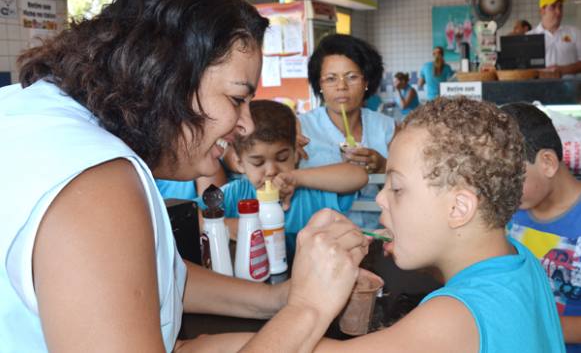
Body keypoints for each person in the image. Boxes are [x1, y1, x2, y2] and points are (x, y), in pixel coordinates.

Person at [0, 0, 370, 353]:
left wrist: (278, 298)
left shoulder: (30, 113)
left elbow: (148, 279)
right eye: (236, 99)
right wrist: (307, 309)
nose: (245, 125)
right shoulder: (95, 181)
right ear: (169, 79)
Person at [193, 96, 566, 352]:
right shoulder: (521, 259)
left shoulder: (451, 319)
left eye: (397, 188)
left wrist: (305, 304)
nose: (382, 199)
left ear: (459, 208)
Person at [195, 99, 368, 260]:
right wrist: (225, 225)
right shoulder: (235, 194)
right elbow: (189, 216)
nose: (271, 171)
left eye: (282, 158)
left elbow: (359, 176)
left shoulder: (310, 193)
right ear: (240, 163)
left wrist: (296, 177)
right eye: (258, 162)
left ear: (296, 154)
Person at [501, 102, 581, 353]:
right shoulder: (509, 211)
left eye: (510, 177)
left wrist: (529, 323)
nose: (502, 189)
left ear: (547, 162)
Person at [299, 33, 396, 229]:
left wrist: (382, 166)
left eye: (352, 77)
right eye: (331, 78)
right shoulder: (301, 129)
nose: (341, 87)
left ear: (366, 82)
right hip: (321, 236)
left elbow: (412, 184)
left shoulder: (387, 128)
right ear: (320, 85)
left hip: (380, 234)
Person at [527, 0, 581, 78]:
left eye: (560, 7)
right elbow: (522, 68)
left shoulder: (575, 33)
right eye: (553, 7)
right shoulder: (529, 37)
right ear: (542, 11)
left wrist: (563, 70)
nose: (558, 12)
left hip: (570, 89)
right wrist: (541, 74)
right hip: (540, 89)